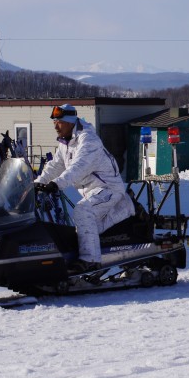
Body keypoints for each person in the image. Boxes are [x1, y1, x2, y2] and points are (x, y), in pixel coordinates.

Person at [34, 104, 136, 273]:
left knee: (83, 212)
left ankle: (90, 261)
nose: (55, 125)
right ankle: (123, 209)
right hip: (93, 191)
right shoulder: (65, 143)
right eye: (54, 121)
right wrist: (37, 183)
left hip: (108, 189)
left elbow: (79, 167)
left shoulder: (88, 140)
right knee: (86, 227)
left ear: (70, 122)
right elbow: (55, 166)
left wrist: (56, 184)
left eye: (59, 121)